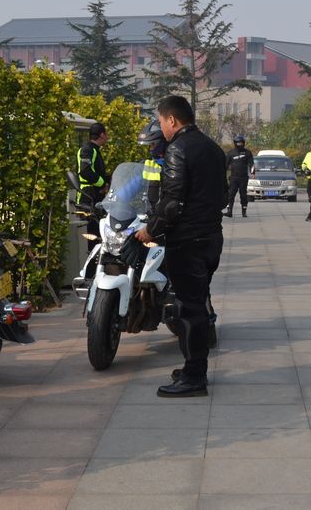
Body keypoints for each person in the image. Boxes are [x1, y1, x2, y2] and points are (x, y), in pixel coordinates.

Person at [135, 96, 226, 398]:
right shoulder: (213, 148)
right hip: (211, 238)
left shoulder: (178, 149)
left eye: (161, 121)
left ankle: (194, 377)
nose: (161, 128)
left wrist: (151, 230)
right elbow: (224, 196)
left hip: (187, 243)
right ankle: (192, 367)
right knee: (197, 304)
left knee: (189, 310)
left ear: (172, 120)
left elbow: (172, 201)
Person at [77, 122, 109, 246]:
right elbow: (85, 171)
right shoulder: (88, 149)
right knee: (92, 233)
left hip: (96, 196)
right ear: (102, 135)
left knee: (99, 232)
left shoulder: (94, 150)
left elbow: (96, 172)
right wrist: (102, 184)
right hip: (88, 196)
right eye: (106, 134)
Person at [138, 118, 167, 214]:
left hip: (167, 215)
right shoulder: (147, 164)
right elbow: (129, 188)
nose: (151, 148)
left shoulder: (174, 164)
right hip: (148, 213)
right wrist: (117, 198)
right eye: (149, 145)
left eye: (153, 144)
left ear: (163, 142)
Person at [225, 135, 254, 218]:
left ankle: (244, 212)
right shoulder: (231, 153)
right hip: (233, 178)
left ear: (243, 143)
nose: (239, 144)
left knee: (243, 195)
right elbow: (225, 165)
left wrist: (252, 173)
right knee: (230, 194)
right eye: (238, 143)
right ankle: (229, 211)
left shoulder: (247, 152)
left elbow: (251, 164)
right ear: (235, 143)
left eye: (241, 143)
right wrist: (222, 174)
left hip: (243, 178)